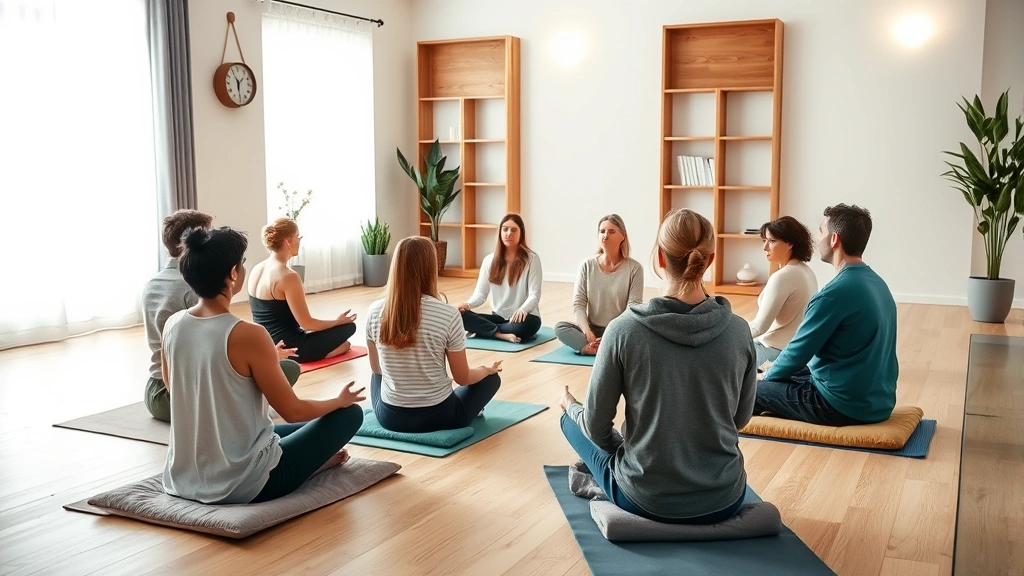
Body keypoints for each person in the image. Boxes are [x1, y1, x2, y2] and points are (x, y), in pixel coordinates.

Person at [558, 208, 757, 525]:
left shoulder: (623, 331)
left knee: (570, 419)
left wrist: (576, 410)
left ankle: (575, 420)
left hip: (644, 498)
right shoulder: (739, 330)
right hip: (725, 498)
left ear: (661, 259)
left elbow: (596, 428)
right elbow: (741, 420)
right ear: (710, 259)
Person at [162, 225, 365, 505]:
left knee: (289, 429)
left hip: (181, 478)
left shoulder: (172, 325)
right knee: (349, 415)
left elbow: (175, 391)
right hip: (244, 484)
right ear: (233, 273)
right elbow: (292, 411)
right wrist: (338, 400)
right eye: (242, 263)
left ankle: (311, 456)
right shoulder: (247, 334)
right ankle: (315, 465)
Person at [141, 210, 300, 422]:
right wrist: (263, 356)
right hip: (180, 396)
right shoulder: (195, 286)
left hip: (153, 391)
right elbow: (218, 350)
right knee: (286, 369)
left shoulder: (152, 283)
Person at [756, 204, 898, 426]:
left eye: (821, 231)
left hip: (840, 405)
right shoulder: (878, 284)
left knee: (750, 390)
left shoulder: (833, 294)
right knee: (781, 370)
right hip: (879, 401)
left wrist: (765, 378)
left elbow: (796, 354)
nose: (818, 238)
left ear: (834, 240)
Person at [365, 237, 503, 433]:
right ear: (430, 268)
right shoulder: (448, 314)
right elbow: (462, 378)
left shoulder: (374, 311)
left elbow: (377, 369)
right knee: (491, 379)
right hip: (442, 418)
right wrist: (485, 370)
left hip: (391, 418)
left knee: (377, 375)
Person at [248, 218, 357, 363]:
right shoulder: (289, 276)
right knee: (348, 332)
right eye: (298, 237)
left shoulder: (257, 269)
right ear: (289, 241)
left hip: (265, 344)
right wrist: (337, 322)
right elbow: (307, 324)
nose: (300, 241)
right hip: (290, 346)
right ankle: (292, 357)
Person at [555, 214, 644, 355]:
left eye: (611, 231)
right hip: (593, 330)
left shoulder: (635, 268)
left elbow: (633, 307)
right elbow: (579, 304)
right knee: (560, 328)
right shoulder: (587, 265)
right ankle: (589, 348)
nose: (605, 235)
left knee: (642, 334)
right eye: (602, 231)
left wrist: (611, 334)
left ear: (623, 236)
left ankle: (605, 346)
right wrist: (587, 332)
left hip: (619, 329)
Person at [458, 214, 543, 343]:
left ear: (521, 233)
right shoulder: (489, 261)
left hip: (524, 319)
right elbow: (481, 294)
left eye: (514, 230)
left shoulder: (532, 259)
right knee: (459, 316)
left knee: (525, 327)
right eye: (505, 229)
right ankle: (500, 334)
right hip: (498, 318)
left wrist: (523, 309)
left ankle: (485, 330)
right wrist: (468, 305)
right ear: (500, 232)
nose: (509, 233)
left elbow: (534, 295)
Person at [748, 216, 818, 368]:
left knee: (715, 352)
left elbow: (759, 327)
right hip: (795, 351)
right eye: (764, 240)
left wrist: (727, 332)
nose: (765, 247)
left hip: (774, 352)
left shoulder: (783, 277)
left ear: (790, 244)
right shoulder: (806, 272)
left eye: (772, 241)